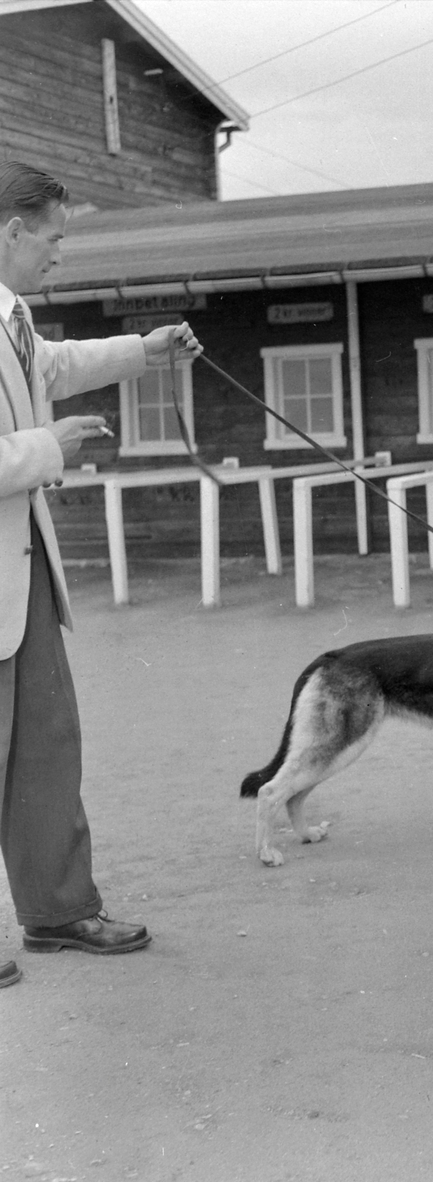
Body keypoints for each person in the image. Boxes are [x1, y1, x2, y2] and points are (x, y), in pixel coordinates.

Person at [0, 161, 202, 988]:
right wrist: (53, 449)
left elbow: (47, 366)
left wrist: (143, 350)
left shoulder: (11, 317)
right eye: (53, 239)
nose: (60, 256)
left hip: (22, 570)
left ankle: (57, 910)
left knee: (47, 744)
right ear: (12, 232)